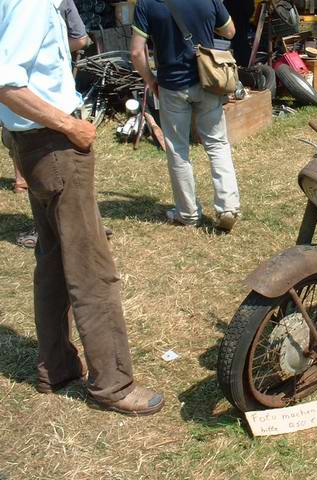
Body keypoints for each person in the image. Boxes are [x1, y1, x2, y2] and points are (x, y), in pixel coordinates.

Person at [0, 0, 164, 416]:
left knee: (53, 260)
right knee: (91, 267)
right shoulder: (33, 5)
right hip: (53, 145)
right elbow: (6, 83)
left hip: (37, 145)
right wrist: (69, 125)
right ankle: (112, 383)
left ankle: (54, 367)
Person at [130, 0, 241, 232]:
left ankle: (188, 214)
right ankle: (228, 207)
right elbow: (229, 31)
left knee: (178, 149)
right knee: (218, 144)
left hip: (172, 86)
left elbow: (136, 52)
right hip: (208, 79)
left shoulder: (146, 3)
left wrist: (150, 80)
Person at [4, 0, 89, 195]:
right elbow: (80, 38)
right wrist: (71, 126)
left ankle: (22, 179)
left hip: (28, 113)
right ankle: (22, 179)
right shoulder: (32, 5)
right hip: (44, 111)